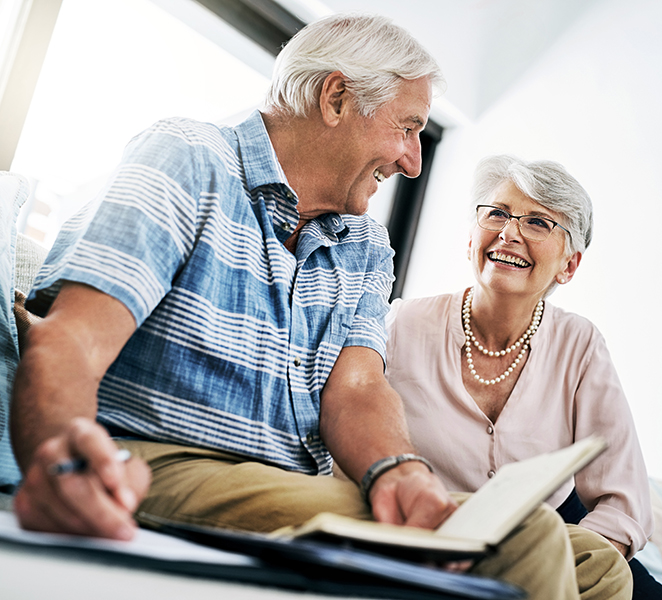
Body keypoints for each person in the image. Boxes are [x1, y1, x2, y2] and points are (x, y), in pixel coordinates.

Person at [7, 14, 630, 600]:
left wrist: (397, 471)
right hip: (162, 459)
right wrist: (59, 462)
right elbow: (73, 338)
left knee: (599, 565)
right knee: (525, 539)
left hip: (285, 485)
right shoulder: (191, 157)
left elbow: (356, 387)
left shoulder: (364, 243)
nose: (412, 161)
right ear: (335, 99)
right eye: (408, 127)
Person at [385, 155, 662, 599]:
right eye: (497, 213)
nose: (509, 232)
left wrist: (564, 571)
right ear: (470, 239)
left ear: (569, 265)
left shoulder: (580, 343)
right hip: (431, 537)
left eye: (538, 222)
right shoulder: (401, 324)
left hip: (551, 531)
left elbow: (623, 498)